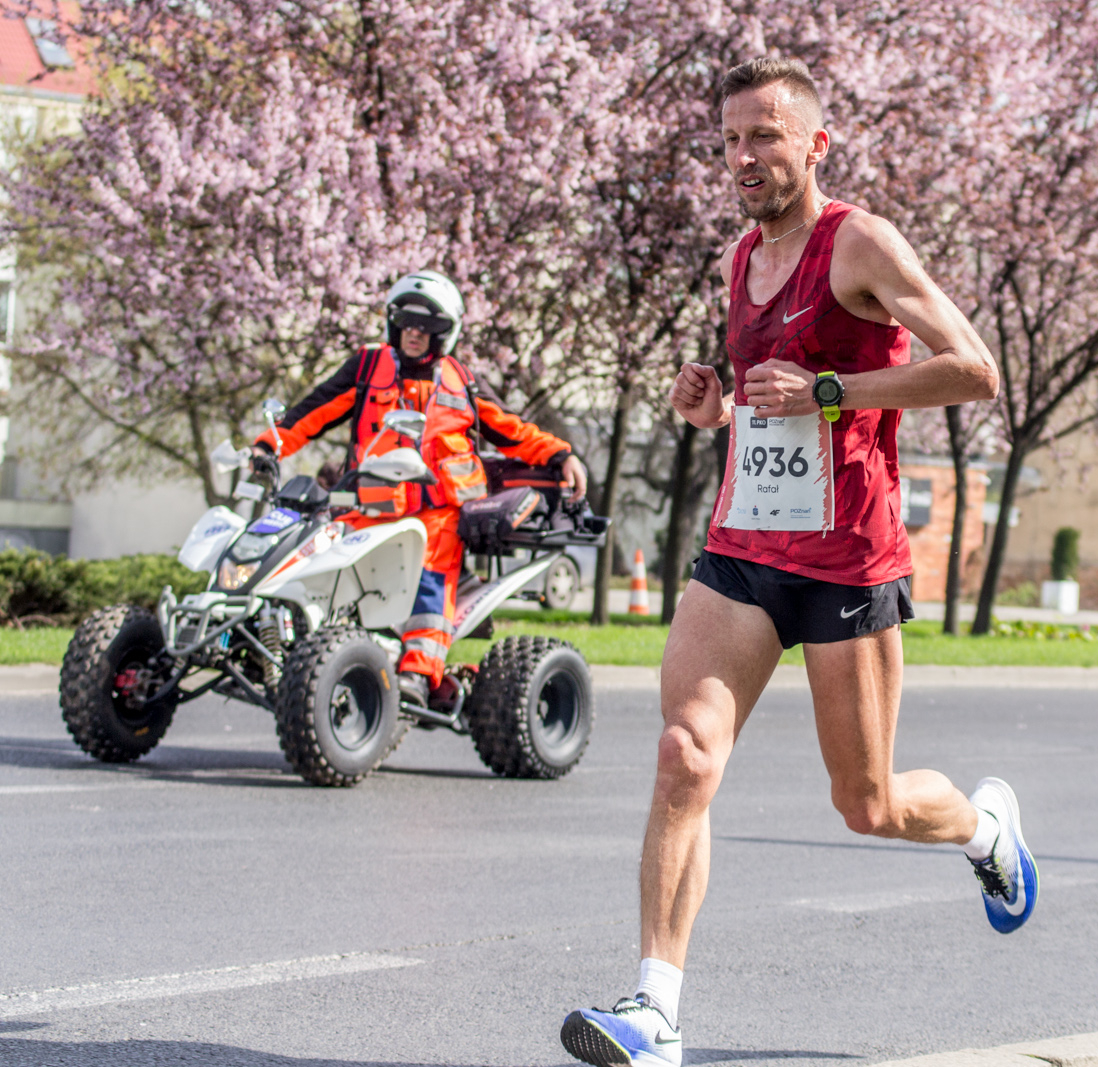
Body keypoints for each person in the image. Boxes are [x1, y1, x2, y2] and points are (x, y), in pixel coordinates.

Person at [558, 58, 1034, 1067]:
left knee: (868, 805)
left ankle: (984, 827)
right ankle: (655, 1010)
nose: (744, 155)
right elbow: (762, 400)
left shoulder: (856, 242)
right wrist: (715, 408)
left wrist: (828, 393)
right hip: (741, 548)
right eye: (731, 137)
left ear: (814, 144)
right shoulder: (739, 258)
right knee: (684, 754)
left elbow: (973, 371)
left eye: (766, 135)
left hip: (846, 562)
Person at [251, 270, 586, 707]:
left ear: (445, 333)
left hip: (437, 516)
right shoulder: (368, 366)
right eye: (407, 323)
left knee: (430, 573)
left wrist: (562, 454)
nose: (415, 333)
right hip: (366, 509)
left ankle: (416, 672)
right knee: (311, 557)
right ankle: (287, 647)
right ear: (393, 324)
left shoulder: (462, 381)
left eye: (427, 327)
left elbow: (514, 430)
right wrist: (266, 447)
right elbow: (308, 413)